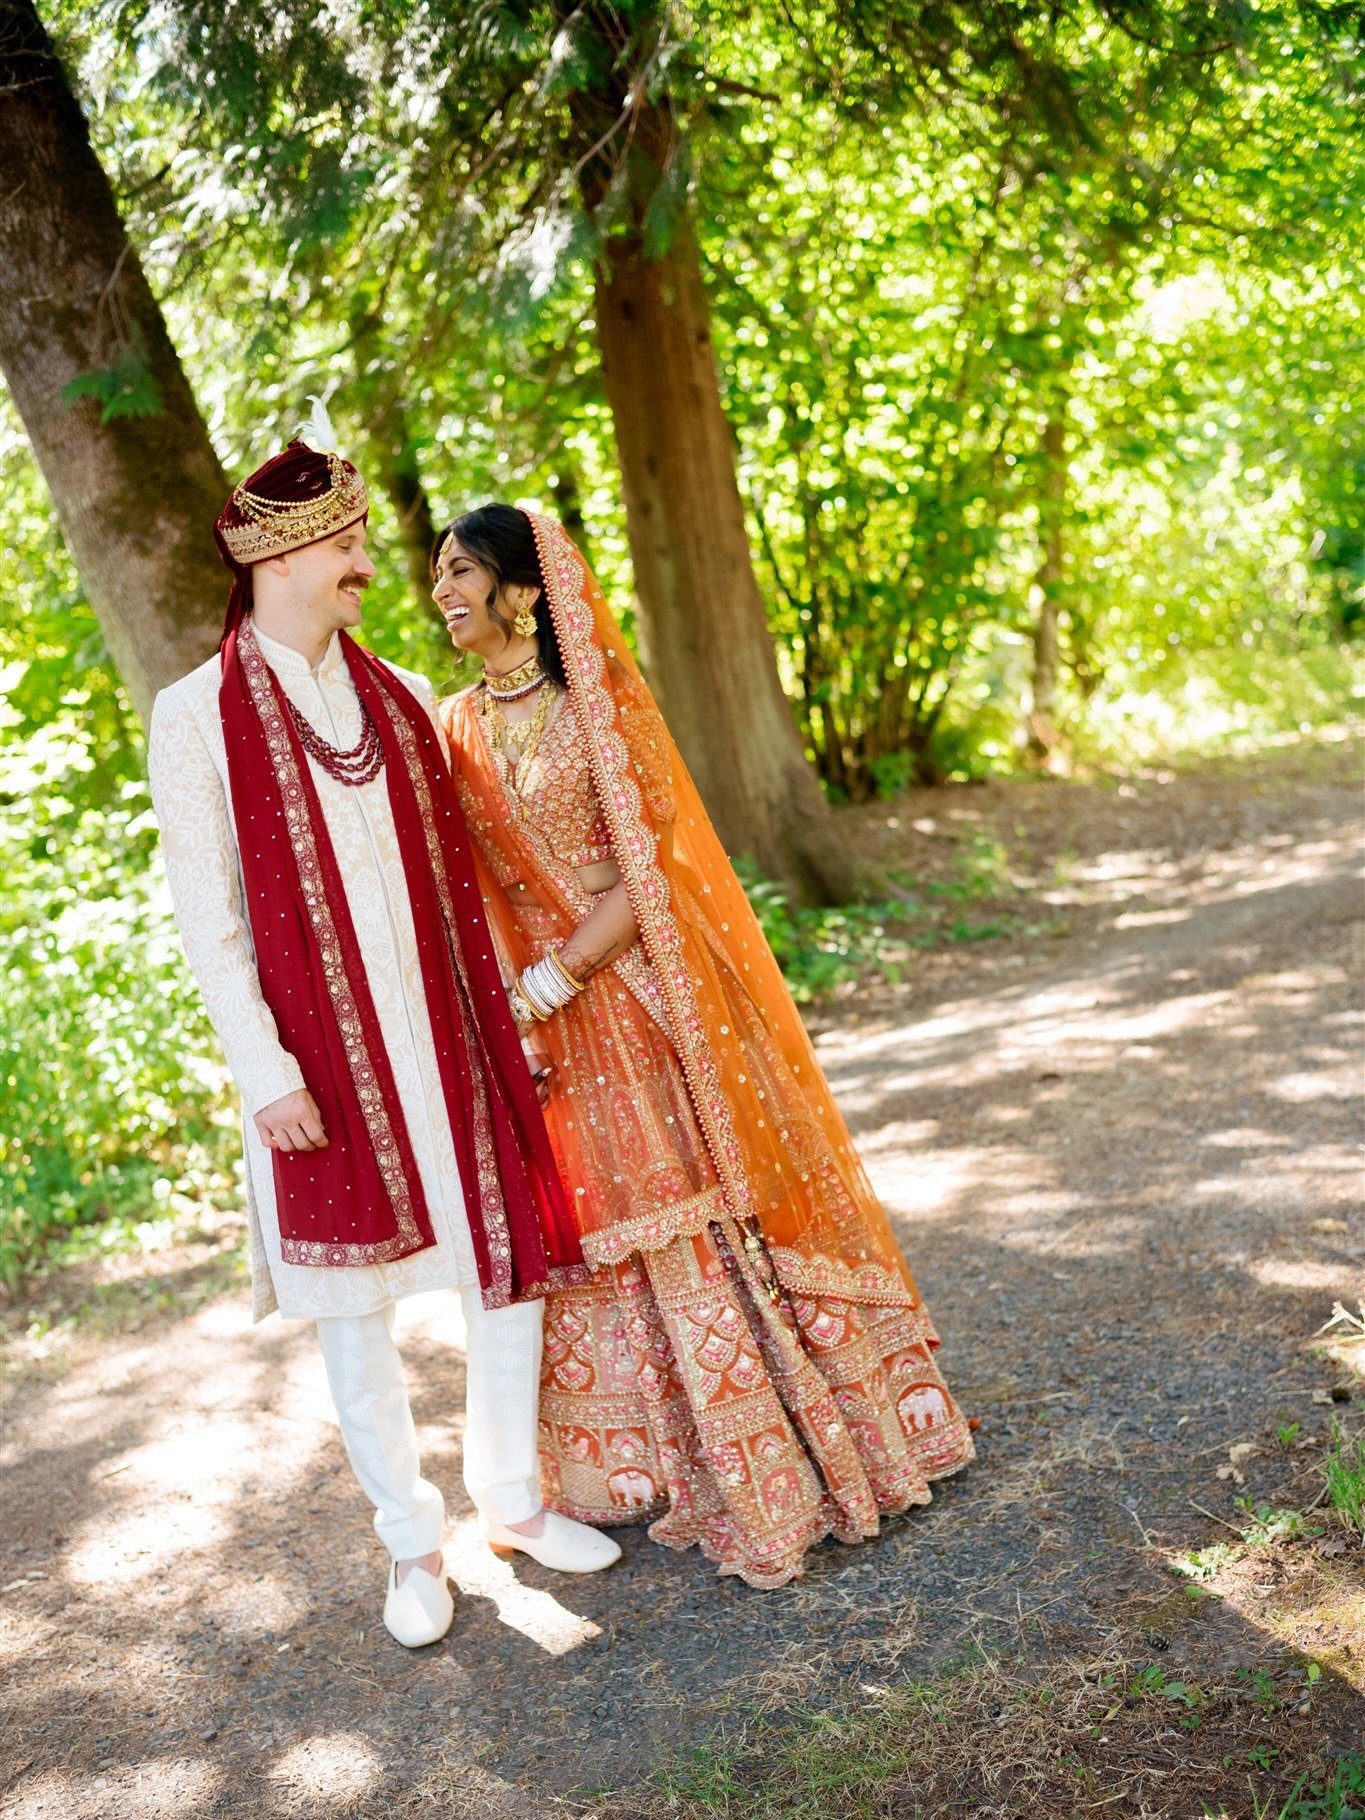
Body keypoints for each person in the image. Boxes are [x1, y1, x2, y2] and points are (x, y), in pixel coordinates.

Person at [436, 505, 975, 1589]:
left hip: (621, 993)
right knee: (598, 1226)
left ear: (525, 593)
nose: (442, 590)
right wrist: (508, 1005)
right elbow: (476, 882)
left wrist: (552, 979)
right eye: (436, 574)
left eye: (463, 572)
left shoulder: (599, 710)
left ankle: (771, 1457)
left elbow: (649, 874)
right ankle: (637, 1466)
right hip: (535, 1019)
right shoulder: (454, 724)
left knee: (680, 1208)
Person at [147, 436, 620, 1651]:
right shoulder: (194, 715)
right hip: (316, 1065)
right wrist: (266, 1072)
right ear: (287, 554)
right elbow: (211, 921)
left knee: (498, 1267)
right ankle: (412, 1540)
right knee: (351, 1310)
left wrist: (518, 1010)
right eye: (348, 545)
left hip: (444, 1036)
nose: (368, 564)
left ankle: (509, 1499)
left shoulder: (402, 696)